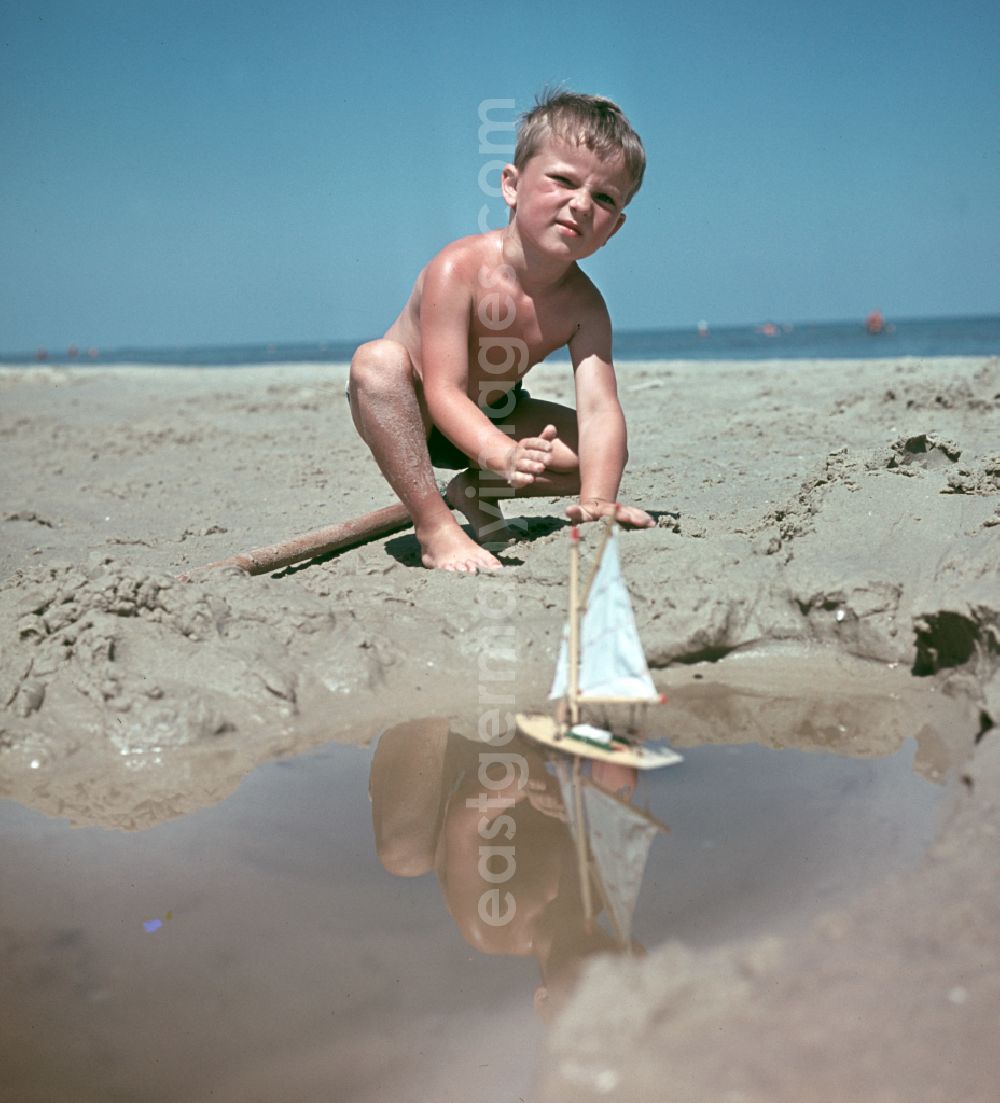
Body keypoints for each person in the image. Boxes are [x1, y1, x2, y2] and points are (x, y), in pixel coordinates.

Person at [348, 90, 655, 573]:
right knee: (377, 362)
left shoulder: (585, 305)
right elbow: (444, 391)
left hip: (492, 414)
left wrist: (598, 502)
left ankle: (474, 493)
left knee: (587, 452)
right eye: (563, 181)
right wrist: (502, 452)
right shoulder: (459, 269)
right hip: (412, 416)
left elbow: (599, 408)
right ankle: (434, 526)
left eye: (602, 198)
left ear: (613, 227)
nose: (579, 205)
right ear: (511, 185)